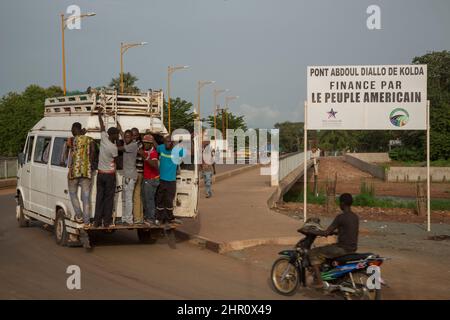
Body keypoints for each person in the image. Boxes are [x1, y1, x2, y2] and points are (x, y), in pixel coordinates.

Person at [308, 193, 359, 289]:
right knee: (328, 249)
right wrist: (336, 233)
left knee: (313, 252)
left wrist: (314, 231)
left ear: (343, 203)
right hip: (352, 248)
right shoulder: (355, 217)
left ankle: (319, 282)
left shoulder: (340, 217)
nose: (339, 205)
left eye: (340, 203)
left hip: (342, 249)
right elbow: (347, 230)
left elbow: (326, 232)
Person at [93, 111, 119, 228]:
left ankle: (96, 221)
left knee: (99, 197)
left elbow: (102, 126)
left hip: (100, 174)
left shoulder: (103, 138)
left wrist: (99, 115)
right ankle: (106, 222)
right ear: (113, 135)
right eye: (117, 135)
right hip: (109, 175)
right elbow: (116, 160)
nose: (118, 136)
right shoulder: (113, 148)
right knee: (109, 199)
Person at [67, 122, 96, 227]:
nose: (71, 131)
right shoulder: (90, 140)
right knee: (86, 197)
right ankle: (87, 221)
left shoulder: (71, 140)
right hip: (86, 171)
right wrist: (90, 163)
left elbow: (66, 153)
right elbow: (93, 151)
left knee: (73, 194)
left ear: (75, 129)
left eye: (72, 129)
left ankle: (79, 216)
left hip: (74, 172)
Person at [155, 135, 184, 225]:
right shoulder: (161, 148)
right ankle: (160, 219)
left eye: (170, 142)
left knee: (169, 200)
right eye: (166, 141)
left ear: (172, 143)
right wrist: (152, 139)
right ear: (164, 142)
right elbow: (155, 146)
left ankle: (170, 218)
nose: (168, 143)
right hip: (162, 180)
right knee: (160, 200)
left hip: (171, 180)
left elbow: (190, 151)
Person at [116, 123, 140, 225]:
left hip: (130, 176)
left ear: (132, 137)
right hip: (126, 175)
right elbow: (122, 134)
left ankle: (129, 220)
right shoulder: (128, 143)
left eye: (128, 137)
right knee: (124, 198)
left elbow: (119, 149)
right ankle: (124, 218)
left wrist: (109, 146)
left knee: (129, 198)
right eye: (125, 137)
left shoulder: (133, 145)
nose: (125, 138)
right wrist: (119, 127)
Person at [142, 134, 160, 224]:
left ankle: (151, 218)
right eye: (144, 143)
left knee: (149, 199)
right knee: (146, 199)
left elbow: (155, 165)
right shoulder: (146, 151)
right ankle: (149, 216)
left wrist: (144, 156)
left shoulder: (153, 153)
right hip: (148, 178)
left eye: (147, 143)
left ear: (151, 144)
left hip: (151, 179)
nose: (145, 145)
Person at [132, 128, 145, 224]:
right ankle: (140, 216)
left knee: (135, 196)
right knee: (138, 195)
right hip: (139, 172)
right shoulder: (140, 144)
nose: (134, 137)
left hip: (137, 172)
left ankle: (137, 218)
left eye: (135, 135)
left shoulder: (138, 144)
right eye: (133, 135)